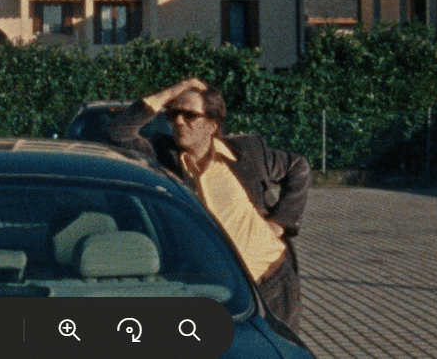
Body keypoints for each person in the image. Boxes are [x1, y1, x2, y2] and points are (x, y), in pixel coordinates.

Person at [107, 77, 311, 336]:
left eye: (189, 115)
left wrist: (281, 222)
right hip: (218, 293)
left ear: (212, 124)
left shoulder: (247, 152)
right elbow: (120, 131)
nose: (179, 121)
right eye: (173, 114)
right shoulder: (163, 157)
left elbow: (298, 167)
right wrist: (177, 89)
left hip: (273, 285)